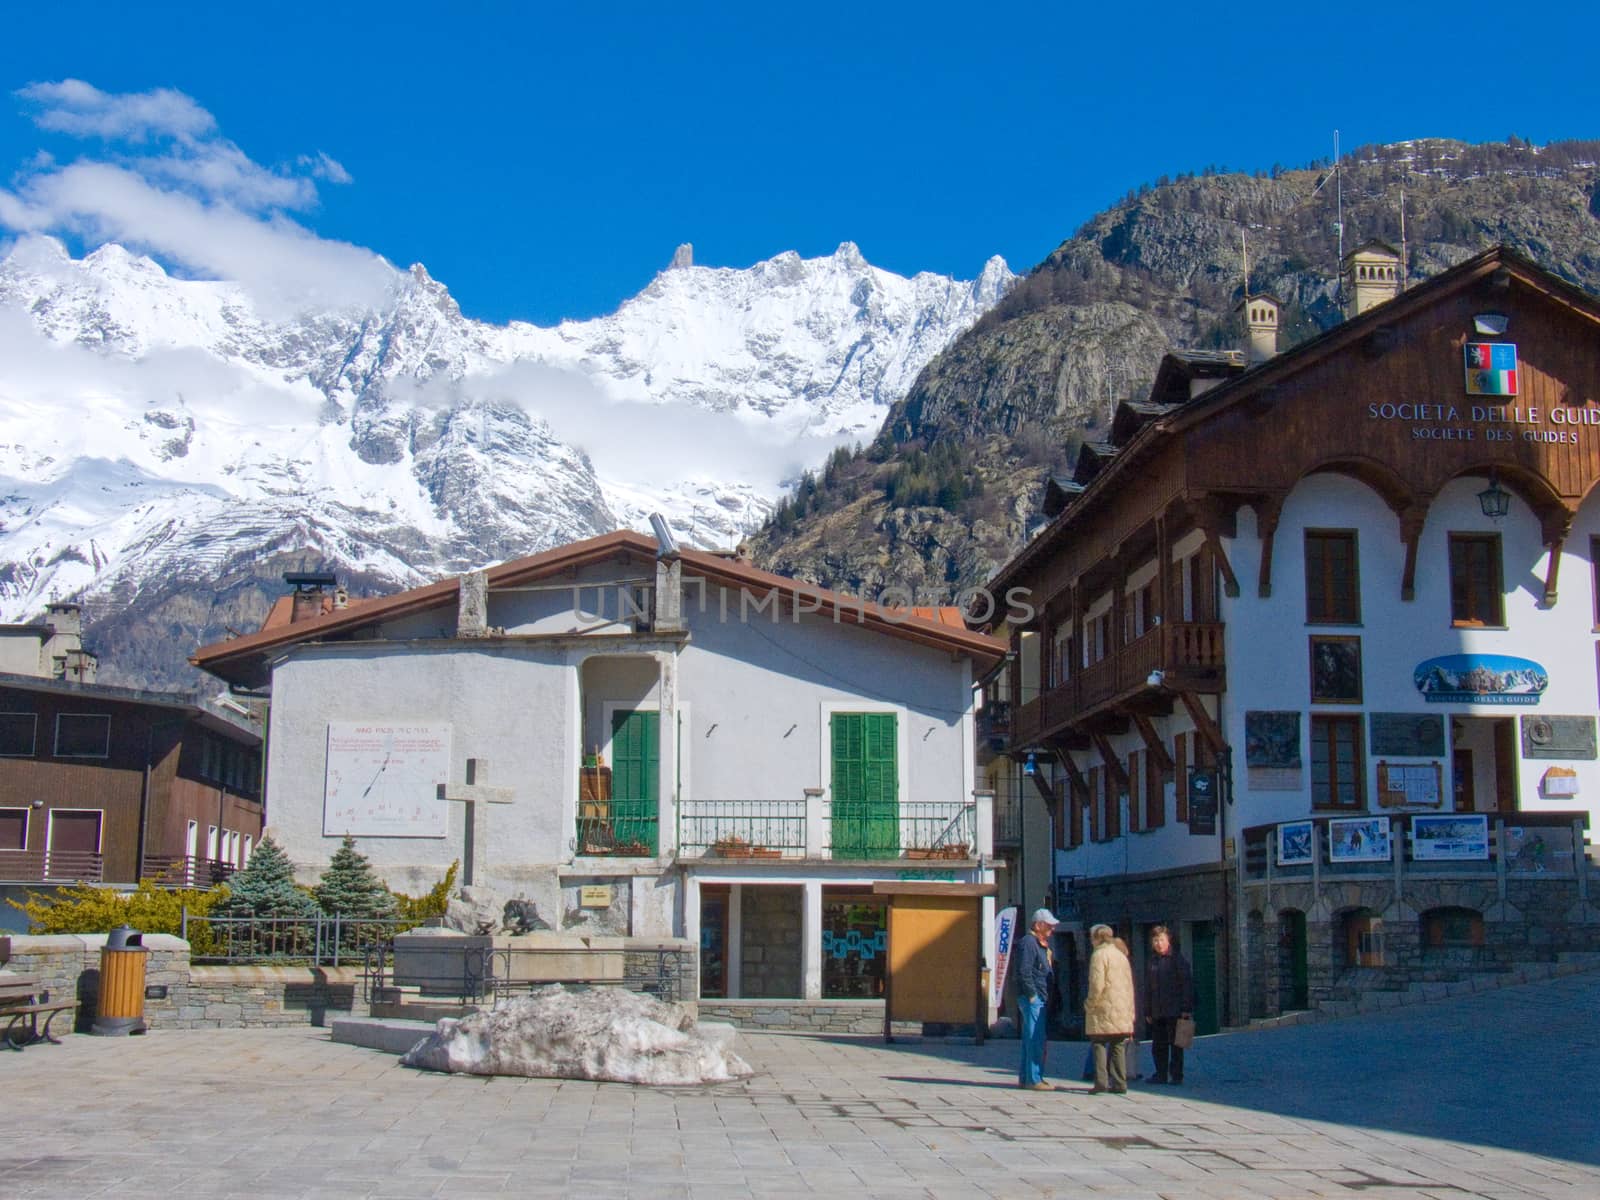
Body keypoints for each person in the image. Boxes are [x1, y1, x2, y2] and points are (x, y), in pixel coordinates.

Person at [1083, 923, 1135, 1094]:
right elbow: (1129, 985)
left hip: (1103, 1008)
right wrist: (1131, 1011)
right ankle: (1120, 1082)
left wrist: (1089, 1004)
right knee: (1118, 1044)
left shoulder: (1099, 955)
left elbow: (1097, 984)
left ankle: (1101, 1082)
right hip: (1122, 1008)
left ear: (1096, 938)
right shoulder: (1121, 955)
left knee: (1098, 1043)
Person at [1144, 924, 1195, 1085]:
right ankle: (1160, 1074)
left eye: (1161, 940)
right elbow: (1148, 988)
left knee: (1177, 1044)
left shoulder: (1177, 960)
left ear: (1168, 941)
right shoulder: (1152, 961)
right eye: (1155, 940)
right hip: (1157, 1010)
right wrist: (1147, 1010)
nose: (1158, 943)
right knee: (1158, 1044)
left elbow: (1186, 984)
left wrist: (1186, 1008)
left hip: (1175, 1010)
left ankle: (1176, 1075)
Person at [1015, 908, 1059, 1091]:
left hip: (1037, 997)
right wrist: (1032, 996)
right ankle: (1034, 1079)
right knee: (1035, 1039)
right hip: (1033, 998)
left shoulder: (1039, 944)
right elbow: (1024, 971)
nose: (1052, 929)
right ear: (1038, 924)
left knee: (1030, 1039)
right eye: (1049, 925)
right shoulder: (1029, 943)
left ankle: (1028, 1077)